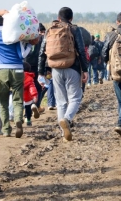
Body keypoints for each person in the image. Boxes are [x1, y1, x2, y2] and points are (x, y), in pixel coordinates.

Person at [38, 7, 89, 141]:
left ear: (58, 18)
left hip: (55, 69)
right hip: (72, 67)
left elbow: (42, 53)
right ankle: (67, 119)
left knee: (60, 102)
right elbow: (81, 51)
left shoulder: (50, 30)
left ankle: (63, 133)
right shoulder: (74, 29)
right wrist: (85, 70)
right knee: (75, 98)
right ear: (71, 18)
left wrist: (41, 72)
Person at [0, 10, 33, 138]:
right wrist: (29, 46)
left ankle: (6, 129)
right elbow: (22, 55)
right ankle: (18, 119)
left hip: (2, 71)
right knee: (18, 99)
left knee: (3, 101)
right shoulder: (14, 36)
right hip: (18, 69)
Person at [24, 23, 46, 114]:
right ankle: (36, 105)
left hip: (25, 66)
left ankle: (26, 110)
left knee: (26, 87)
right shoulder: (41, 39)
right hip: (37, 66)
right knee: (38, 87)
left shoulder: (25, 39)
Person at [23, 62, 40, 126]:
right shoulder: (30, 78)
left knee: (18, 108)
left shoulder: (17, 77)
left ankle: (18, 119)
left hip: (19, 96)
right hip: (28, 97)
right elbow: (32, 87)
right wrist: (34, 95)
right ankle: (28, 119)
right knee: (28, 109)